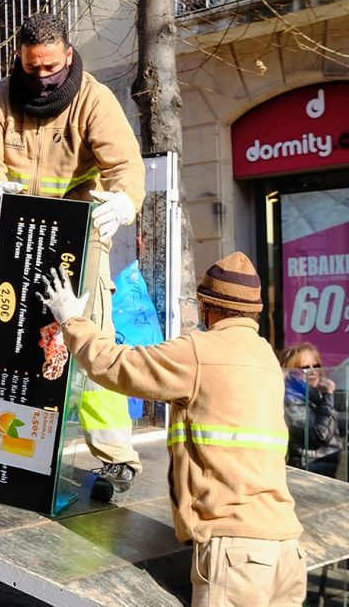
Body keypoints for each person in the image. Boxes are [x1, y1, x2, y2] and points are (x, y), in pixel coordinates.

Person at [0, 12, 146, 503]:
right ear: (20, 57)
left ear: (68, 56)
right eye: (32, 68)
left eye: (51, 68)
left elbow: (125, 163)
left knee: (90, 326)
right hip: (17, 227)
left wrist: (122, 202)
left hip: (80, 228)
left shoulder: (93, 98)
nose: (41, 78)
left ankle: (117, 456)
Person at [39, 252, 306, 606]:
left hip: (236, 554)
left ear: (207, 305)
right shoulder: (266, 358)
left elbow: (117, 365)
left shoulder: (199, 350)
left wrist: (72, 319)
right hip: (286, 551)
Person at [279, 343, 341, 478]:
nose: (313, 371)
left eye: (316, 365)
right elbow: (319, 435)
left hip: (325, 474)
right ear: (291, 371)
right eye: (306, 367)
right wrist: (329, 396)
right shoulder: (290, 398)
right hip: (307, 474)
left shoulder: (315, 395)